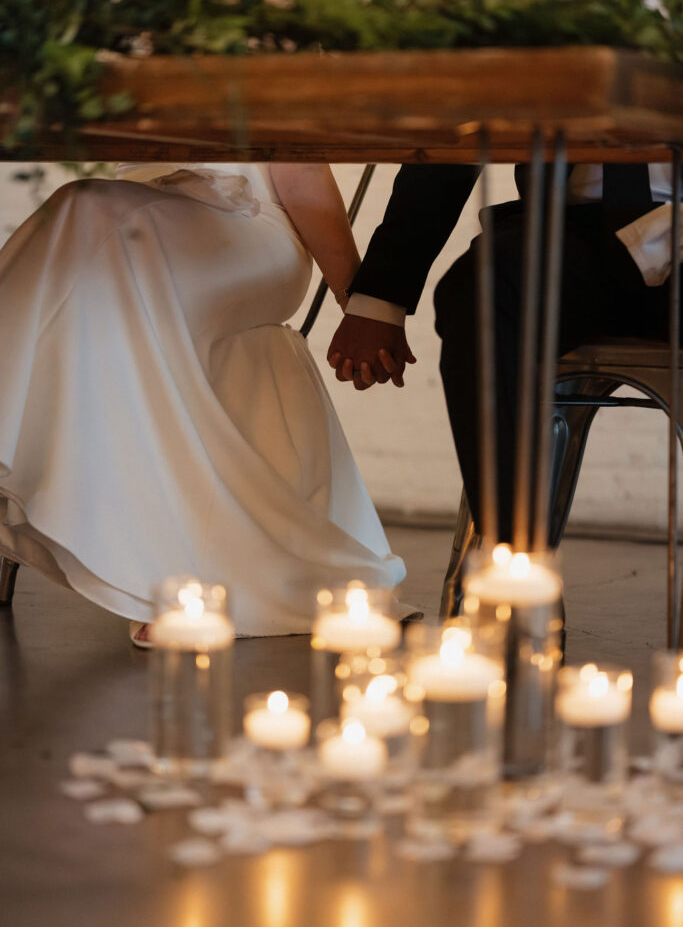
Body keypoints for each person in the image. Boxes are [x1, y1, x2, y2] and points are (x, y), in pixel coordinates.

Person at [0, 162, 405, 641]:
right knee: (79, 214)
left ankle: (180, 573)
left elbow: (301, 171)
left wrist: (360, 304)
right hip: (133, 207)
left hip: (253, 224)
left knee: (85, 211)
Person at [327, 159, 681, 547]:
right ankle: (513, 566)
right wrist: (380, 299)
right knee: (477, 294)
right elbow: (457, 130)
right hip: (565, 227)